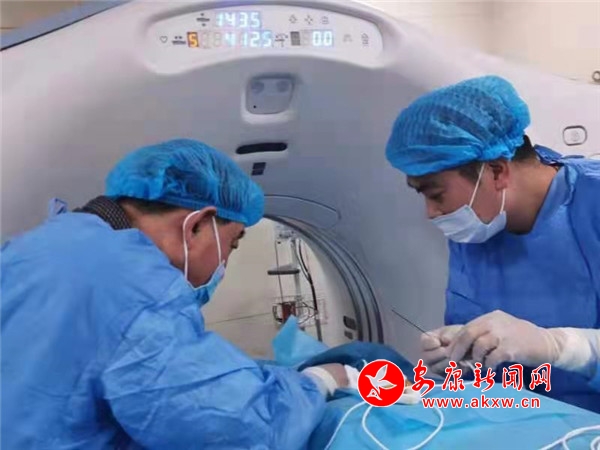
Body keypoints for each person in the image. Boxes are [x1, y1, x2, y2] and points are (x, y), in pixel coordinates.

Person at [1, 138, 349, 449]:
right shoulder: (137, 289)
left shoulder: (35, 246)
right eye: (232, 243)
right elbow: (237, 430)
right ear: (196, 225)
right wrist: (318, 381)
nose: (225, 262)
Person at [384, 75, 600, 413]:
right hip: (513, 419)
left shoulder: (591, 203)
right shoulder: (478, 226)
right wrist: (458, 356)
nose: (431, 213)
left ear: (497, 171)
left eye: (436, 195)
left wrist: (558, 346)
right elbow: (484, 364)